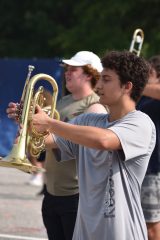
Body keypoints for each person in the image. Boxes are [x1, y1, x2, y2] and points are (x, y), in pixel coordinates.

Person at [13, 50, 156, 240]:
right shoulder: (89, 119)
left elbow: (104, 140)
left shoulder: (141, 122)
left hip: (121, 233)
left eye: (106, 79)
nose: (99, 84)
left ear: (127, 86)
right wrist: (28, 120)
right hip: (84, 232)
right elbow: (50, 140)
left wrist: (50, 123)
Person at [7, 51, 107, 240]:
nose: (67, 72)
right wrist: (25, 119)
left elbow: (72, 141)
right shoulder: (64, 101)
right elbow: (45, 135)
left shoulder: (95, 106)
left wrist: (30, 135)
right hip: (52, 192)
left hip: (77, 194)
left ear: (89, 74)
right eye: (67, 69)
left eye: (73, 69)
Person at [137, 55, 160, 240]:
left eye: (149, 72)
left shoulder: (154, 95)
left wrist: (133, 83)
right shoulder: (145, 97)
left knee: (151, 226)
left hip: (154, 169)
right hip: (142, 166)